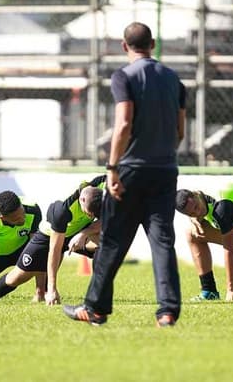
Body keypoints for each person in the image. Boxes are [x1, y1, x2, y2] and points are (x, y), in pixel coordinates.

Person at [63, 22, 186, 327]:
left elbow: (123, 124)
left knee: (114, 240)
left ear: (124, 46)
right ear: (153, 43)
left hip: (131, 169)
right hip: (165, 169)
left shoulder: (124, 76)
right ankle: (168, 311)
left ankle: (95, 308)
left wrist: (113, 167)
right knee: (162, 242)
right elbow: (180, 130)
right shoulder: (173, 79)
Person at [0, 176, 104, 305]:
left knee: (106, 247)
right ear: (81, 200)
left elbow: (110, 217)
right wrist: (51, 289)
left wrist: (84, 233)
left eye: (93, 215)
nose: (90, 216)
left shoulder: (103, 185)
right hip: (49, 237)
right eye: (88, 213)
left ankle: (99, 295)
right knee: (17, 277)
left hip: (79, 232)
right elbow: (55, 250)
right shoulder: (63, 210)